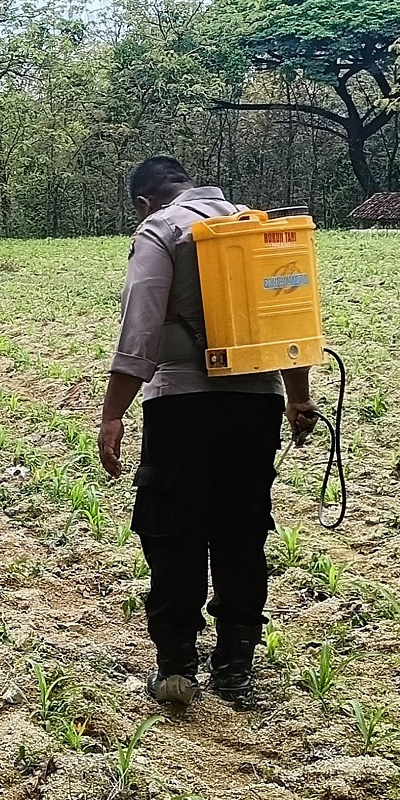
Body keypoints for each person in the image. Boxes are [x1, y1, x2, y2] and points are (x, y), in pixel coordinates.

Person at [98, 158, 319, 708]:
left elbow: (140, 326)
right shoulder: (259, 228)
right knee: (242, 531)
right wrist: (297, 396)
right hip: (256, 405)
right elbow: (289, 317)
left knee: (173, 531)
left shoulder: (160, 230)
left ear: (145, 202)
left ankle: (176, 666)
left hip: (181, 404)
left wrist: (113, 412)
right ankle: (235, 666)